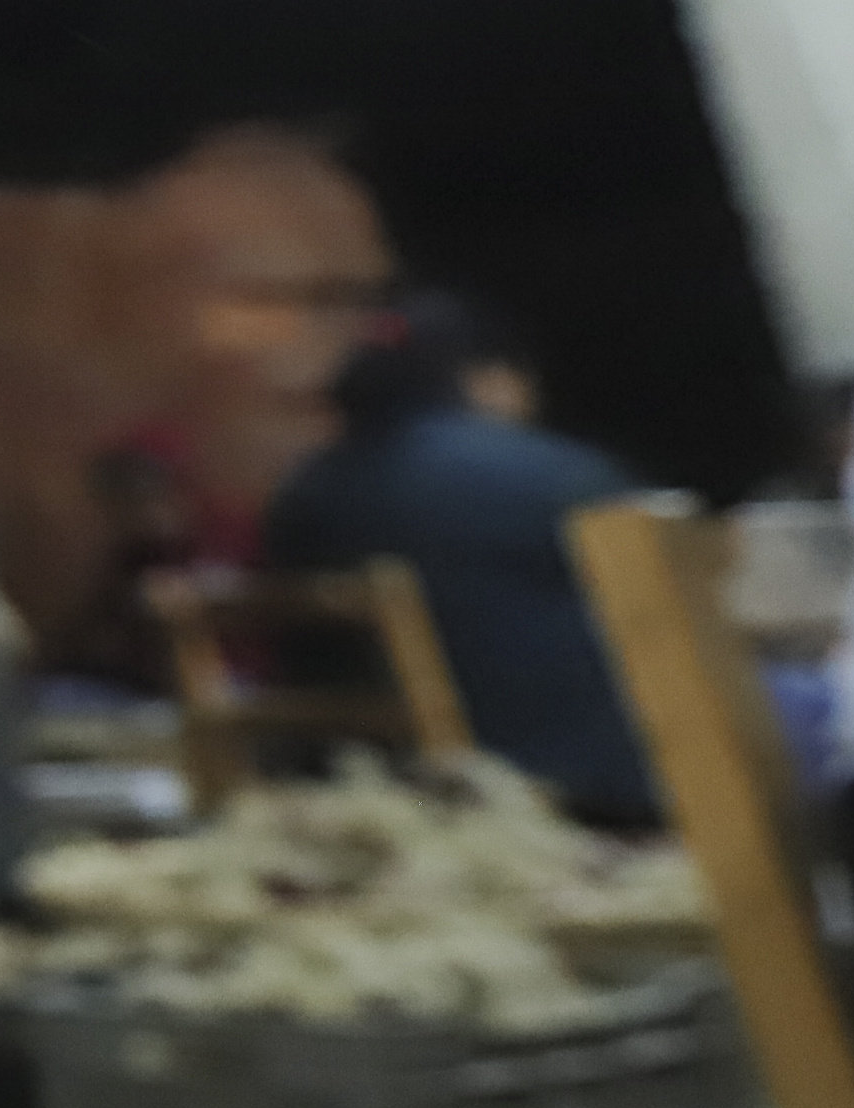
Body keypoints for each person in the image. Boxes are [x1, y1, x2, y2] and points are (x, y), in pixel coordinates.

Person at [261, 293, 654, 827]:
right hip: (578, 796)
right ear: (487, 378)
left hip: (373, 790)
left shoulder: (299, 497)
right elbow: (673, 611)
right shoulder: (556, 477)